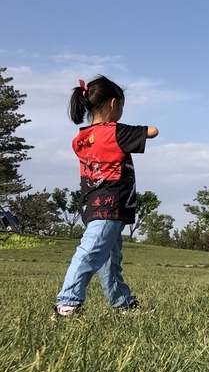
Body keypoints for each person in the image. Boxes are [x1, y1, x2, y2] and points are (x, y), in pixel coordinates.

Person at [53, 77, 159, 319]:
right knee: (90, 252)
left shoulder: (80, 138)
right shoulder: (116, 132)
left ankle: (122, 303)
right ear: (113, 104)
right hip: (111, 205)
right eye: (122, 106)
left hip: (91, 204)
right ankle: (67, 303)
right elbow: (152, 131)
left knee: (109, 259)